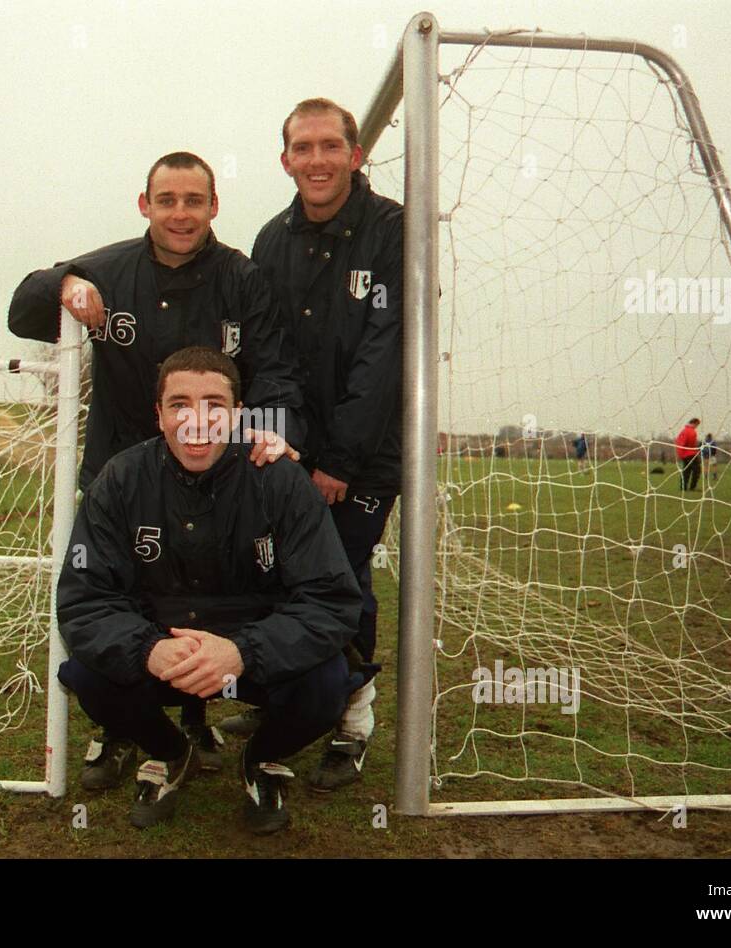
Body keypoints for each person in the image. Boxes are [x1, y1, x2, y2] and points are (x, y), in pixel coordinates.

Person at [8, 151, 306, 789]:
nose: (180, 213)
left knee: (204, 592)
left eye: (193, 201)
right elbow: (22, 307)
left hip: (216, 475)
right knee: (120, 599)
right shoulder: (109, 270)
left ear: (213, 207)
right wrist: (62, 285)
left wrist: (273, 439)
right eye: (166, 200)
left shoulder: (243, 280)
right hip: (124, 476)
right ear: (144, 205)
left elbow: (275, 370)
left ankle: (195, 718)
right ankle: (122, 728)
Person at [55, 347, 364, 834]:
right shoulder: (119, 480)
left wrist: (244, 651)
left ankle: (260, 758)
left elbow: (330, 598)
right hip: (164, 653)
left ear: (238, 415)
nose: (196, 419)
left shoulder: (280, 479)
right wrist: (148, 648)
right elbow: (84, 599)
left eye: (214, 405)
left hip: (254, 658)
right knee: (87, 673)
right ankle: (172, 753)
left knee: (327, 683)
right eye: (179, 404)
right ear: (158, 415)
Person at [231, 97, 403, 793]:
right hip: (291, 451)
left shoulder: (393, 229)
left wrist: (339, 462)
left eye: (330, 146)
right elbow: (272, 358)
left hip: (362, 457)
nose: (317, 160)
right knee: (278, 575)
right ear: (286, 161)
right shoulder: (272, 240)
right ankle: (287, 694)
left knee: (344, 579)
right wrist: (281, 447)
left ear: (355, 155)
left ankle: (353, 723)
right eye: (303, 149)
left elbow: (383, 355)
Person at [675, 417, 701, 492]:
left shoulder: (684, 430)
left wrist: (680, 454)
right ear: (695, 423)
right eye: (697, 424)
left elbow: (679, 442)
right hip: (689, 453)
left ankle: (683, 487)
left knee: (687, 470)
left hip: (685, 454)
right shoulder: (690, 431)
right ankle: (692, 487)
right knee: (696, 470)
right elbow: (687, 443)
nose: (697, 426)